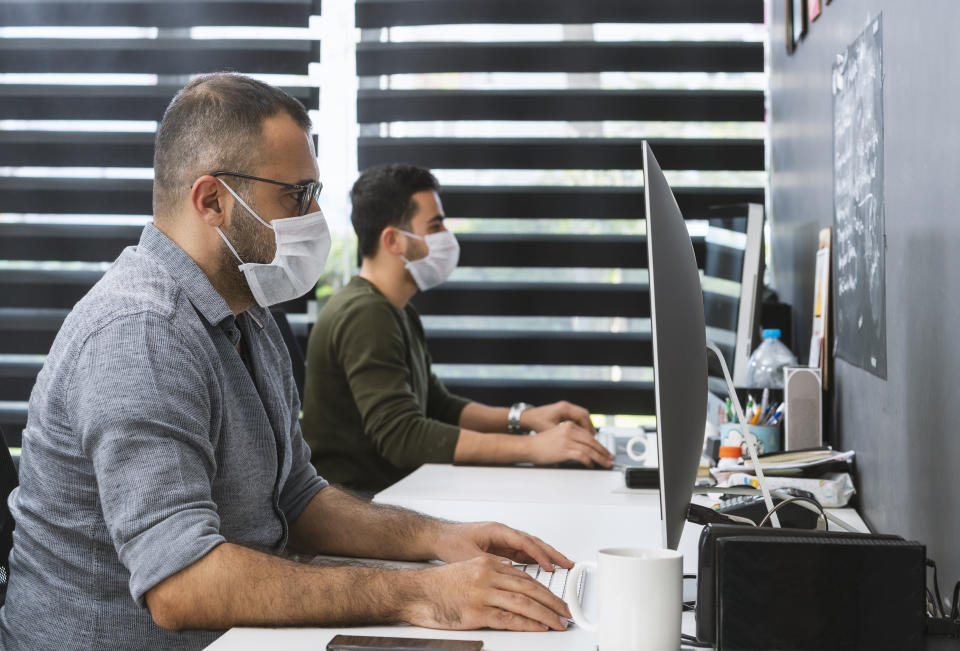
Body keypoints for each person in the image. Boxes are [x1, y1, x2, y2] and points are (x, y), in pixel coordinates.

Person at [0, 73, 574, 651]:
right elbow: (181, 585)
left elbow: (297, 497)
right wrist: (419, 594)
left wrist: (442, 538)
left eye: (314, 194)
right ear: (212, 201)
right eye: (296, 194)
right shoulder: (141, 333)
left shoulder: (247, 312)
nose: (313, 217)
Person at [301, 164, 614, 494]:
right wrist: (534, 449)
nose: (447, 236)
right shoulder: (365, 314)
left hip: (395, 497)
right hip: (363, 510)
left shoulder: (395, 311)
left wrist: (524, 419)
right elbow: (403, 437)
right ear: (394, 240)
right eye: (435, 226)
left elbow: (438, 406)